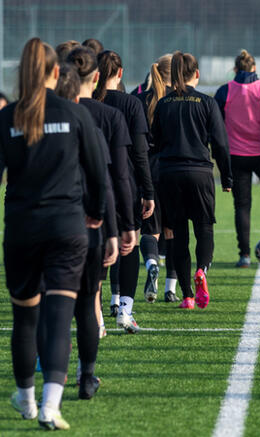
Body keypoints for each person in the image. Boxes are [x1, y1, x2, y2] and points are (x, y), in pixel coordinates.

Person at [0, 37, 108, 430]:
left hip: (22, 234)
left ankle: (26, 400)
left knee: (26, 320)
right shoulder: (75, 115)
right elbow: (98, 173)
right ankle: (50, 406)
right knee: (60, 319)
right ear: (54, 72)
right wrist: (96, 215)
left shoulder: (5, 119)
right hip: (68, 229)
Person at [52, 59, 119, 399]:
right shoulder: (89, 127)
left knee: (56, 307)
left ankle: (54, 377)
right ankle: (87, 374)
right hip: (87, 227)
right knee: (86, 304)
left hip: (49, 228)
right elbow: (103, 182)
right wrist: (110, 228)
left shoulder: (38, 128)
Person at [151, 51, 232, 310]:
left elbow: (154, 141)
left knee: (177, 235)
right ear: (197, 73)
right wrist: (227, 176)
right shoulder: (207, 103)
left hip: (169, 174)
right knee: (204, 228)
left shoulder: (163, 104)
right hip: (200, 172)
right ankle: (201, 271)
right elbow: (220, 144)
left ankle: (186, 296)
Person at [92, 50, 161, 330]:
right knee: (128, 245)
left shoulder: (84, 105)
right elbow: (141, 153)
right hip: (125, 184)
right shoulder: (131, 104)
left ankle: (95, 309)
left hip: (90, 186)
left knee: (95, 246)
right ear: (119, 73)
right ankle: (125, 309)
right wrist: (148, 190)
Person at [214, 49, 260, 268]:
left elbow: (216, 128)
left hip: (236, 155)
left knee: (242, 206)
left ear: (235, 69)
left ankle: (244, 255)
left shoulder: (224, 91)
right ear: (254, 68)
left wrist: (220, 156)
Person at [131, 53, 181, 304]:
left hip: (147, 171)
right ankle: (170, 289)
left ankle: (151, 263)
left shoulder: (139, 100)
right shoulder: (180, 100)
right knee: (173, 231)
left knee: (150, 230)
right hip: (174, 170)